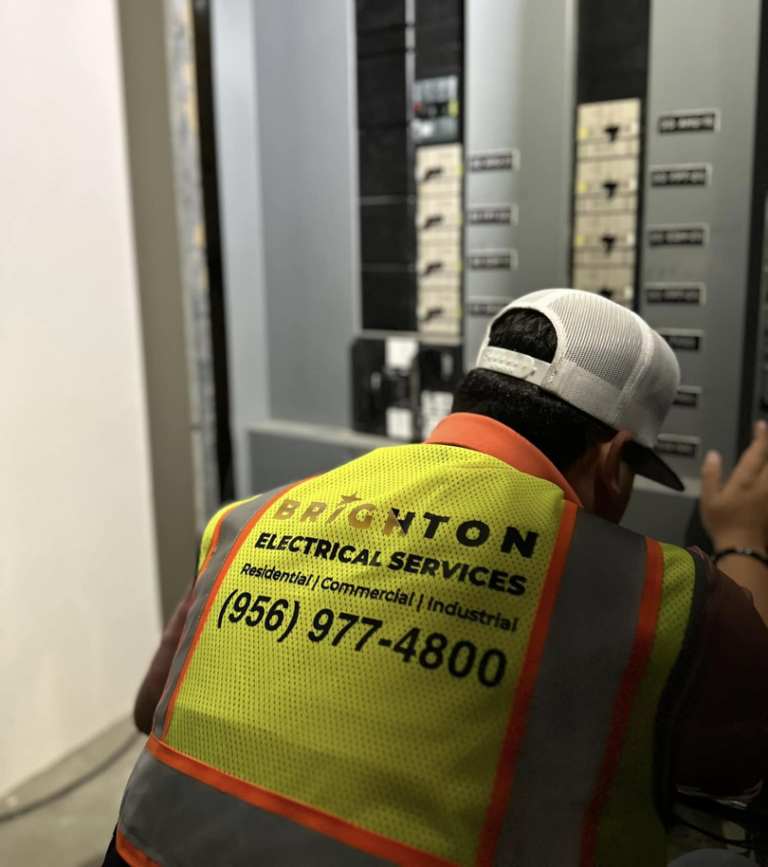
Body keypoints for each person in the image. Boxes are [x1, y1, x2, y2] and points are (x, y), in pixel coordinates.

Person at [105, 289, 768, 867]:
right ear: (615, 458)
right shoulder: (665, 592)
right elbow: (749, 764)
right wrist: (742, 538)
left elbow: (149, 710)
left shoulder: (247, 519)